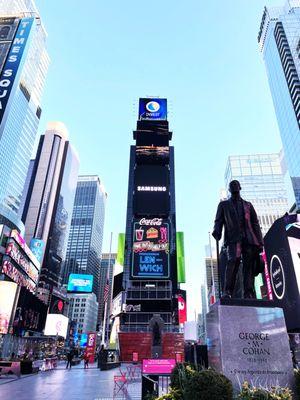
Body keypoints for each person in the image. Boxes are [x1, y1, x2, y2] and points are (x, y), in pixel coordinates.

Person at [212, 180, 263, 299]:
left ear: (240, 187)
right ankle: (227, 291)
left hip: (249, 239)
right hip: (233, 239)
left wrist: (260, 241)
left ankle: (248, 292)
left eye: (236, 185)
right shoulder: (223, 205)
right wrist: (217, 230)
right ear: (229, 190)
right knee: (232, 262)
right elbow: (218, 220)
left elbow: (255, 223)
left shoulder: (248, 205)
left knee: (248, 265)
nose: (234, 187)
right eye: (232, 186)